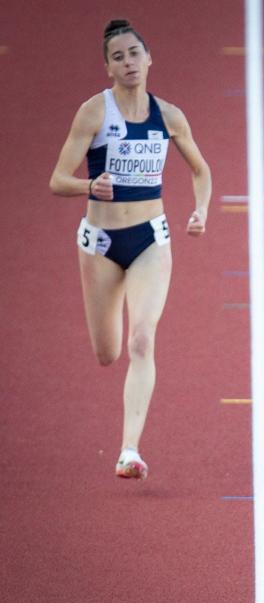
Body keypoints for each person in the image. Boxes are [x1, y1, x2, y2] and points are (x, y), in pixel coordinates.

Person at [50, 19, 212, 480]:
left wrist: (200, 210)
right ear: (108, 67)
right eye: (118, 57)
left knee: (142, 339)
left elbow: (201, 170)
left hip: (149, 240)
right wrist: (88, 184)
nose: (128, 62)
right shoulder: (93, 113)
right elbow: (57, 180)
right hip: (100, 244)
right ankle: (116, 296)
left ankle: (129, 451)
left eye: (134, 53)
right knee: (108, 353)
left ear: (148, 59)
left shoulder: (170, 116)